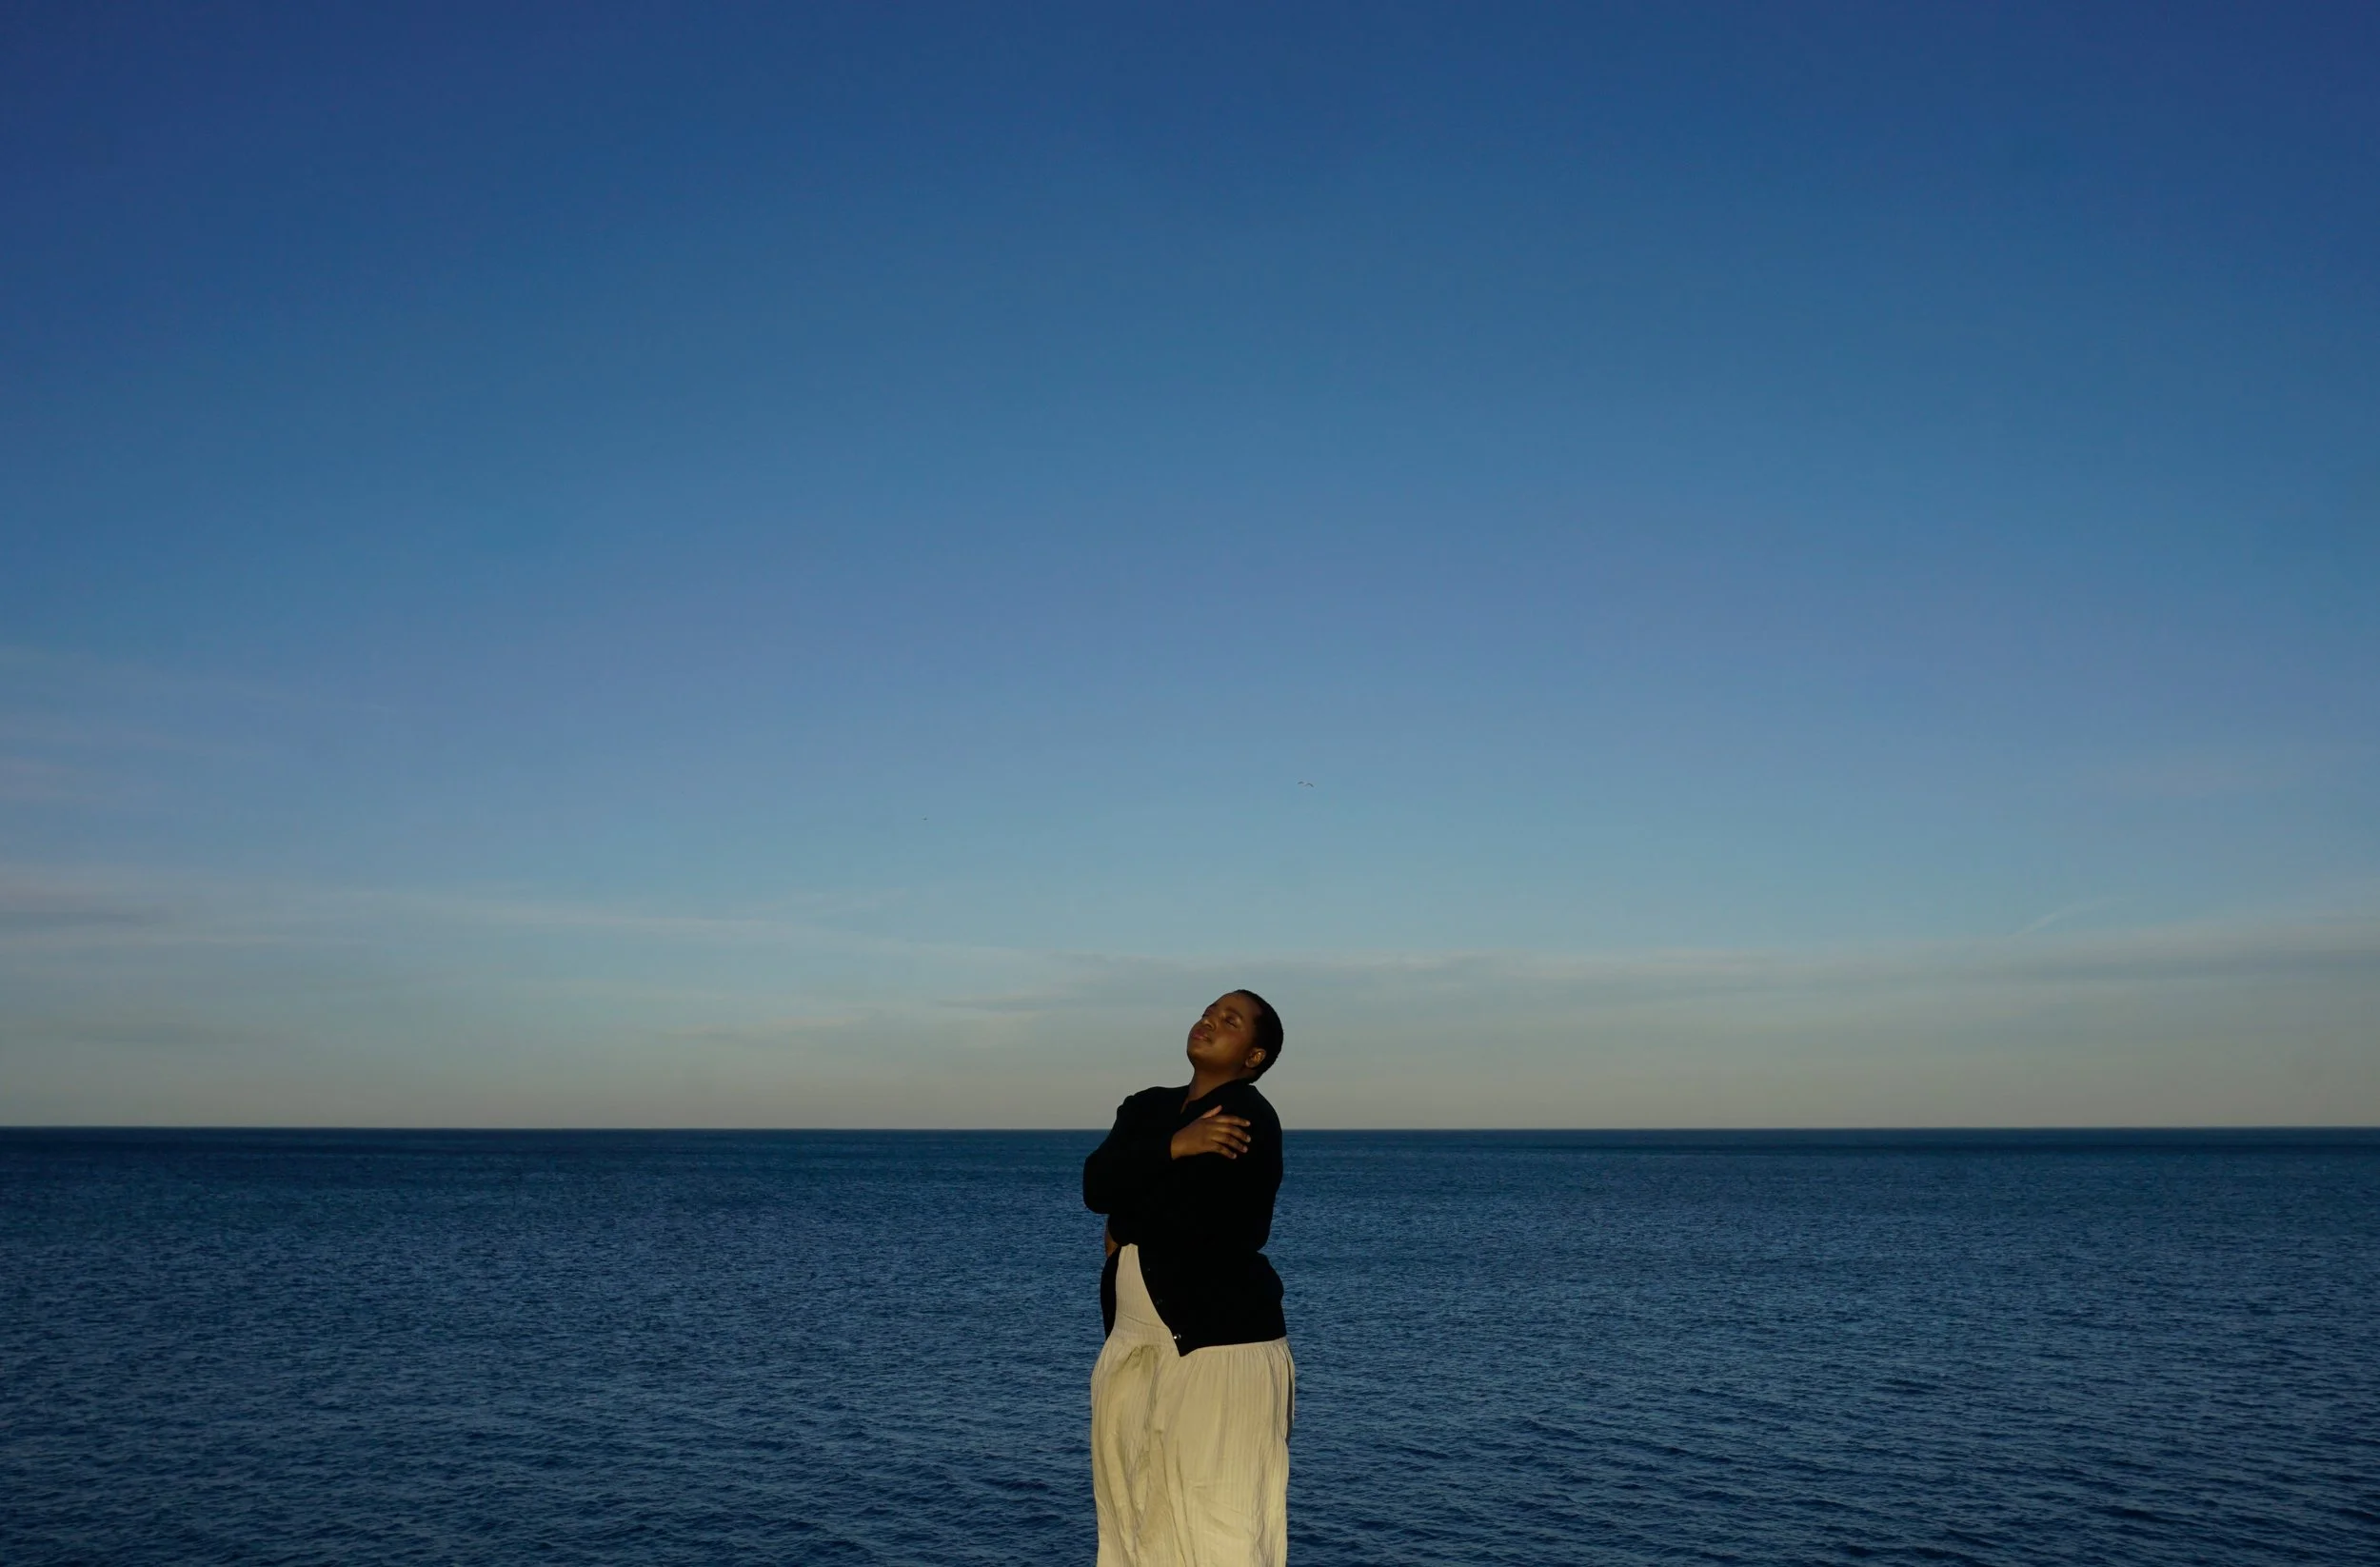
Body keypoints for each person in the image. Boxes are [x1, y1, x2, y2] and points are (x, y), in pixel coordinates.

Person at [1081, 990, 1294, 1567]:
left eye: (1229, 1021)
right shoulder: (1147, 1107)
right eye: (1208, 1011)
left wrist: (1127, 1215)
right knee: (1130, 1528)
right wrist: (1175, 1147)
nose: (1208, 1021)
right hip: (1133, 1344)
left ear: (1253, 1057)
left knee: (1214, 1530)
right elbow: (1095, 1184)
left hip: (1218, 1349)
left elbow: (1209, 1223)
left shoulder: (1249, 1116)